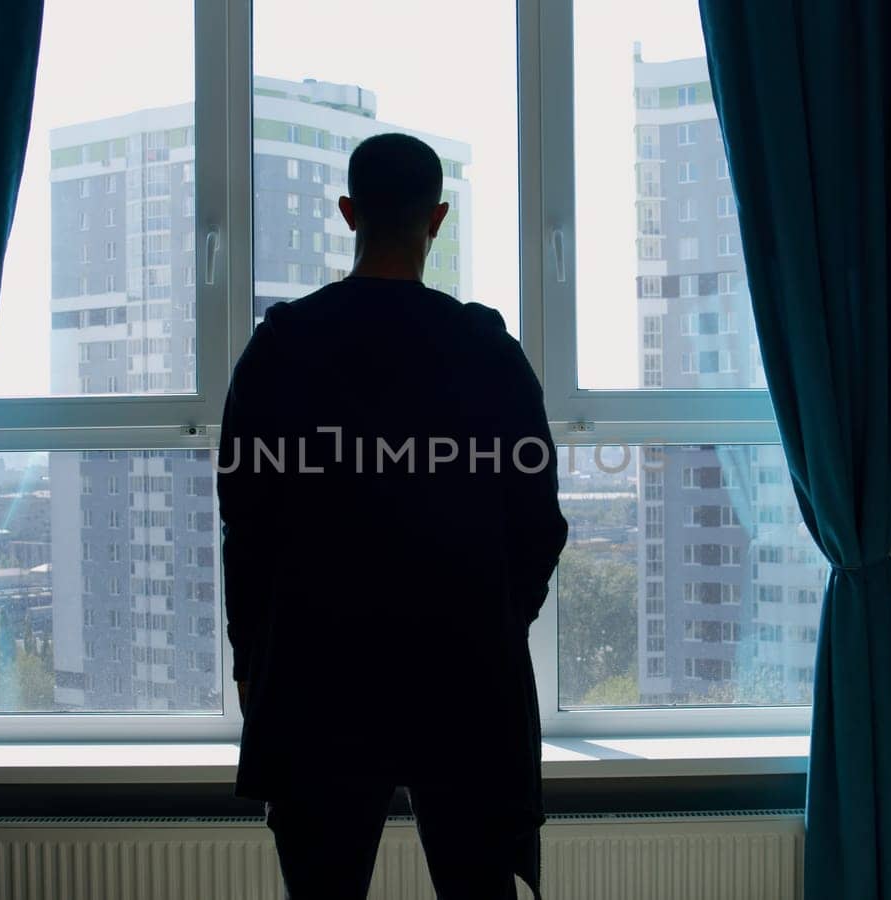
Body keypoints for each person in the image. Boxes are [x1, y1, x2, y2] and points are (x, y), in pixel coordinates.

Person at [217, 132, 568, 900]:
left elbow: (246, 523)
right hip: (466, 671)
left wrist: (253, 657)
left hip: (318, 672)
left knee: (322, 888)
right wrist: (499, 620)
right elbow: (540, 523)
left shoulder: (283, 347)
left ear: (349, 213)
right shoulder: (485, 349)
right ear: (436, 219)